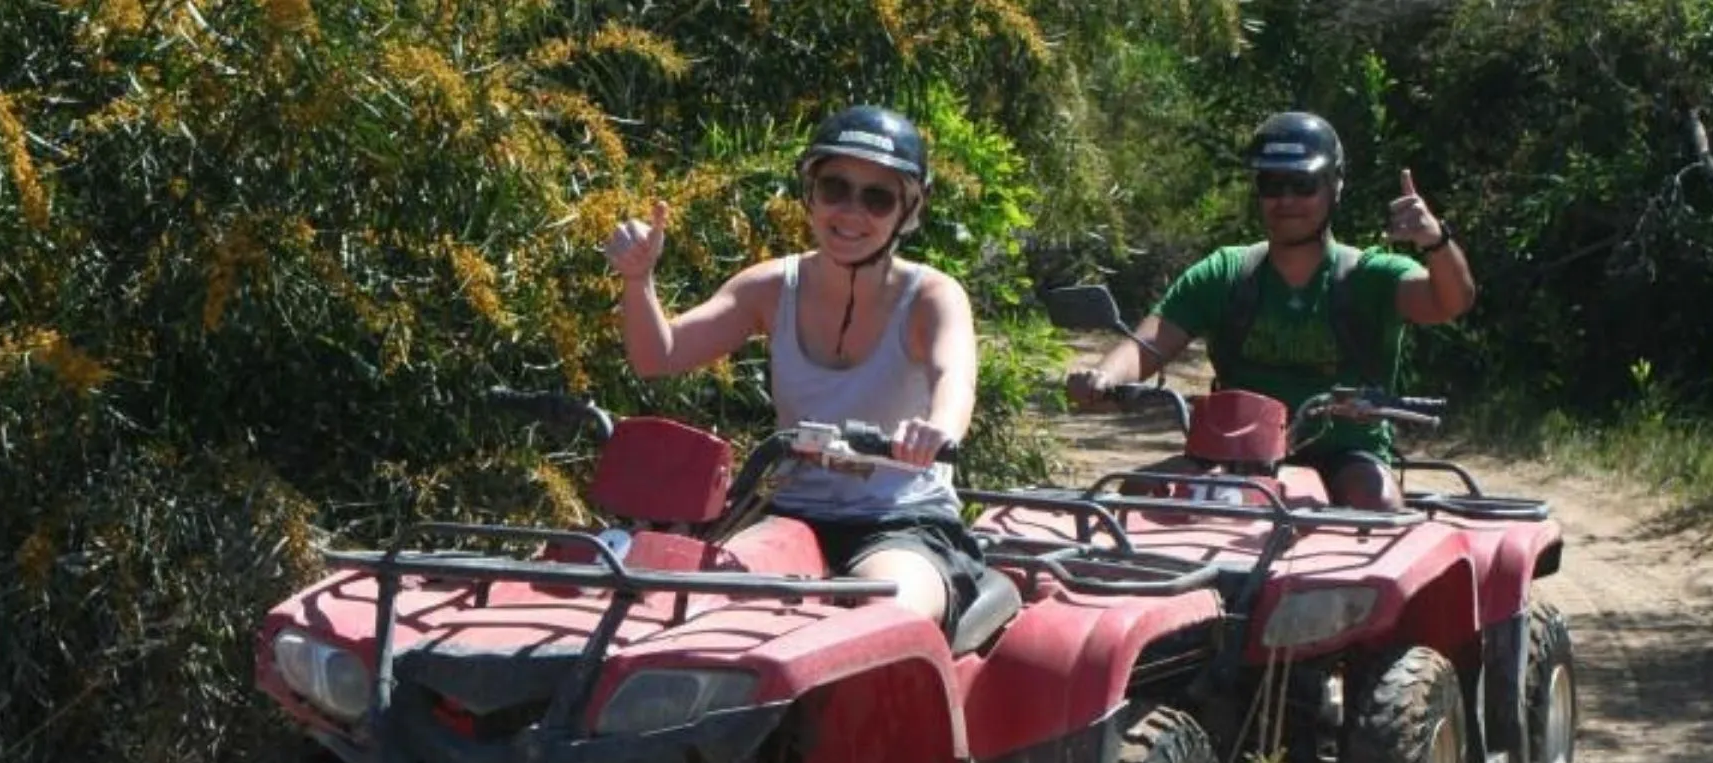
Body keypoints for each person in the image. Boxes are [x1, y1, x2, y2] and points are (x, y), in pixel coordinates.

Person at [602, 104, 986, 634]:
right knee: (704, 606)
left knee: (887, 621)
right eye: (835, 188)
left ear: (909, 210)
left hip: (901, 522)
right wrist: (638, 281)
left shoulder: (933, 297)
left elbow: (955, 378)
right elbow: (657, 356)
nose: (851, 212)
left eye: (877, 197)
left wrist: (936, 430)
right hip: (788, 514)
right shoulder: (770, 288)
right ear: (810, 193)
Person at [1066, 111, 1477, 511]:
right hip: (1231, 453)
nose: (1286, 200)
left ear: (1334, 186)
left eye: (1302, 184)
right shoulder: (1226, 273)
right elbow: (1149, 343)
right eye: (1272, 184)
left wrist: (1435, 240)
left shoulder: (1369, 276)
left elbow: (1450, 301)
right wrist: (1104, 378)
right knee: (1140, 494)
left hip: (1346, 454)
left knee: (1377, 502)